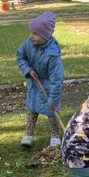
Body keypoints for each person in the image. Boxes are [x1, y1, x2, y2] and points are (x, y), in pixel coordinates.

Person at [16, 12, 64, 148]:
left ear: (46, 35)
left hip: (49, 86)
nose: (31, 36)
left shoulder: (53, 54)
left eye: (35, 33)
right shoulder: (28, 44)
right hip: (34, 84)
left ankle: (55, 137)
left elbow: (57, 79)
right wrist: (28, 70)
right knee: (32, 109)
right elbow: (20, 56)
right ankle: (29, 135)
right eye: (31, 32)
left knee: (51, 111)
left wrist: (54, 99)